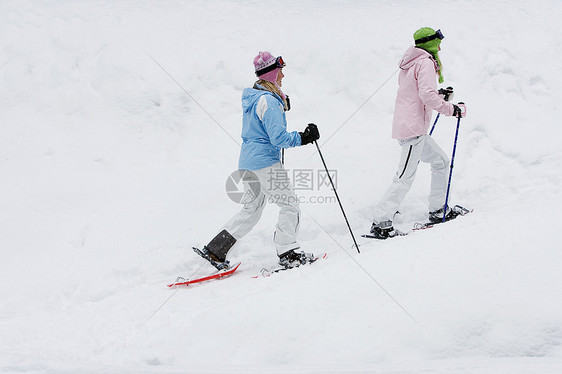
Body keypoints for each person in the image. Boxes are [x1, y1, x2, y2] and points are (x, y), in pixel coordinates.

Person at [195, 51, 320, 269]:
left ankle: (216, 250)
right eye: (280, 72)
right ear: (272, 74)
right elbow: (278, 138)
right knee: (289, 205)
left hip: (248, 163)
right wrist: (304, 137)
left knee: (250, 210)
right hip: (265, 163)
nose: (283, 76)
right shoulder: (268, 102)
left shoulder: (255, 98)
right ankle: (288, 251)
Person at [369, 27, 467, 239]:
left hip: (414, 128)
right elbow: (426, 96)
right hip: (413, 130)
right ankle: (381, 222)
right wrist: (452, 109)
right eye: (438, 42)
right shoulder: (425, 63)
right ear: (430, 43)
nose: (440, 47)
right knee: (404, 177)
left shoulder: (412, 63)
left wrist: (439, 95)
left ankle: (438, 209)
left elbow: (416, 93)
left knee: (441, 161)